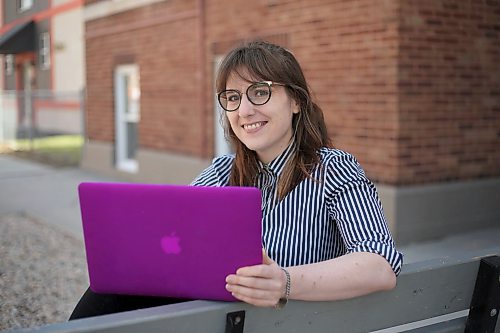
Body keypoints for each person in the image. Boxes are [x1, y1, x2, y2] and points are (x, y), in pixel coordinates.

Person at [70, 40, 402, 319]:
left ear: (297, 101)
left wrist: (284, 281)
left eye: (260, 92)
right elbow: (169, 241)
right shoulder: (220, 173)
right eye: (232, 98)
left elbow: (379, 263)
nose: (244, 111)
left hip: (291, 325)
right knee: (110, 292)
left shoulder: (333, 169)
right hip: (222, 322)